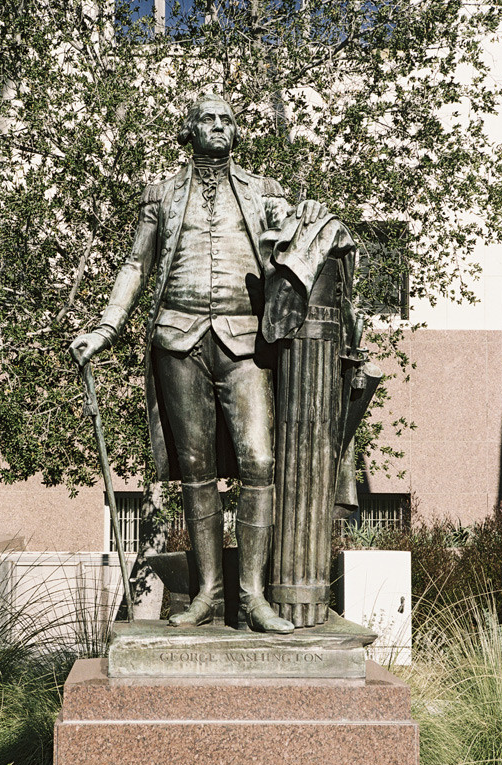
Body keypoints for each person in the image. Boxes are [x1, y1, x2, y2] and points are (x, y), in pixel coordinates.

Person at [70, 94, 331, 634]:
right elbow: (136, 263)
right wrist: (106, 327)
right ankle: (208, 593)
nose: (219, 126)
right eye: (208, 118)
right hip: (177, 339)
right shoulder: (162, 194)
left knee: (259, 461)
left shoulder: (262, 191)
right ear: (189, 130)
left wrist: (299, 221)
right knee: (196, 470)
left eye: (227, 119)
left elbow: (293, 241)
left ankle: (252, 596)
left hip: (244, 342)